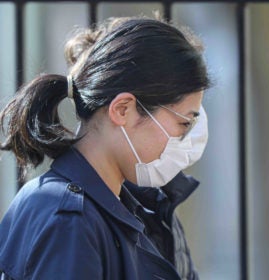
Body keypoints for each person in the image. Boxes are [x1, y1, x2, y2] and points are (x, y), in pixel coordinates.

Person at [0, 15, 211, 280]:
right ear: (123, 109)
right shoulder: (69, 220)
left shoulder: (126, 209)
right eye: (183, 124)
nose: (186, 141)